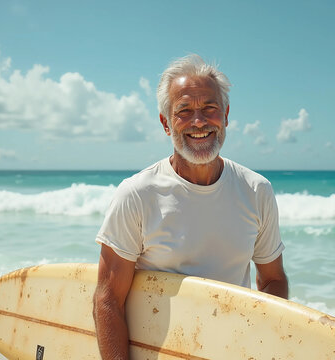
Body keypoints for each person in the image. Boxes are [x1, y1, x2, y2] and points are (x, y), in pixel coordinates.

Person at [92, 54, 288, 359]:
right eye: (184, 111)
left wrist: (256, 343)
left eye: (210, 108)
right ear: (166, 123)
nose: (199, 121)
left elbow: (273, 281)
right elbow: (108, 300)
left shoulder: (256, 190)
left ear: (225, 114)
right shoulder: (136, 195)